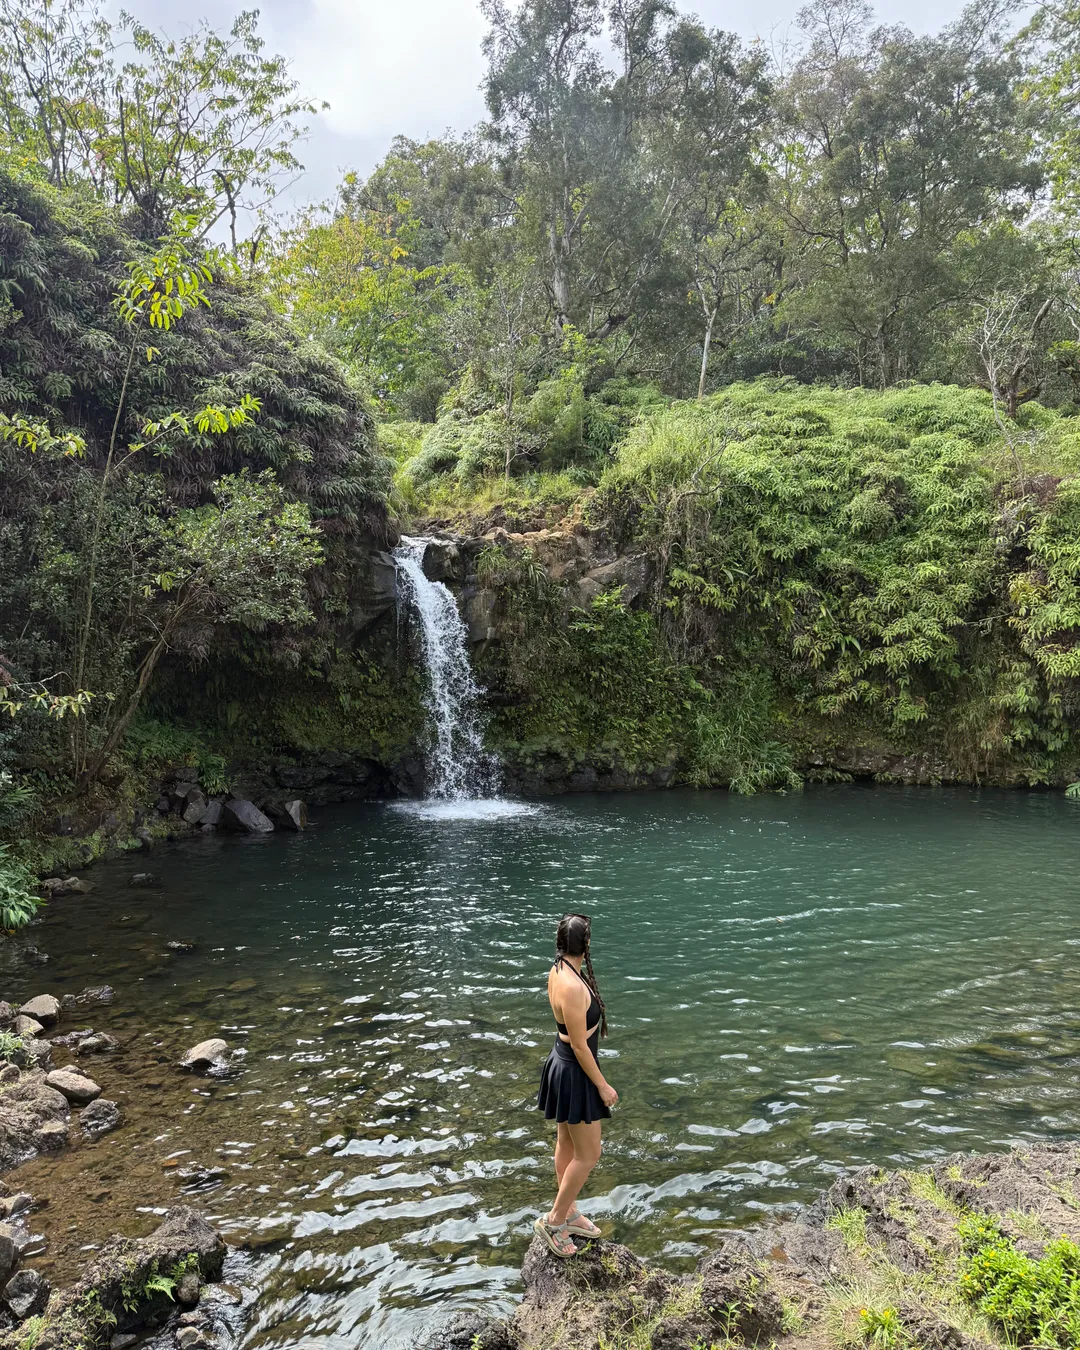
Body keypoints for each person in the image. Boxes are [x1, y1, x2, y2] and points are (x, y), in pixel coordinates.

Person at [533, 912, 618, 1257]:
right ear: (586, 943)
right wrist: (603, 1086)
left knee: (566, 1143)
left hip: (563, 1064)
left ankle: (569, 1211)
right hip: (575, 1072)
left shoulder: (558, 970)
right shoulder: (570, 984)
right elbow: (581, 1047)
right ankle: (554, 1222)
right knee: (589, 1153)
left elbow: (572, 1035)